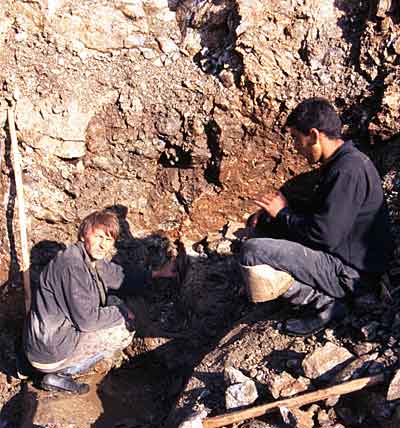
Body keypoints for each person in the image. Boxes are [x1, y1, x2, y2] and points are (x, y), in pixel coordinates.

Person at [240, 97, 394, 337]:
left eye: (296, 139)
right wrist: (275, 215)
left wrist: (282, 212)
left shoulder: (348, 170)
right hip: (343, 256)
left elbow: (323, 236)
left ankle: (325, 304)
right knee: (267, 226)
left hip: (352, 273)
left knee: (253, 252)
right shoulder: (342, 162)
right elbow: (323, 216)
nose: (296, 147)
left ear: (313, 135)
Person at [22, 209, 176, 394]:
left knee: (112, 300)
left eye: (109, 239)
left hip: (46, 342)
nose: (103, 245)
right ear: (84, 234)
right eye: (99, 237)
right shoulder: (72, 267)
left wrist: (157, 273)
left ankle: (46, 367)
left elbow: (118, 276)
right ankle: (62, 374)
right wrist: (122, 314)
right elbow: (88, 321)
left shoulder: (88, 259)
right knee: (123, 330)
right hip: (51, 351)